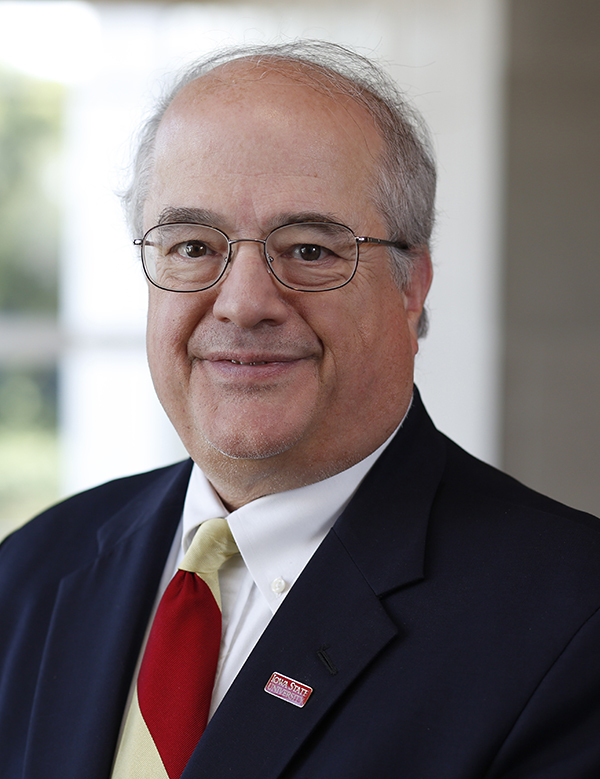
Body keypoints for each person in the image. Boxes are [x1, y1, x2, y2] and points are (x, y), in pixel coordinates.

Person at [1, 40, 600, 779]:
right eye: (193, 244)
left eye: (311, 249)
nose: (245, 303)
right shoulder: (32, 572)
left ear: (412, 287)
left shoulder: (573, 621)